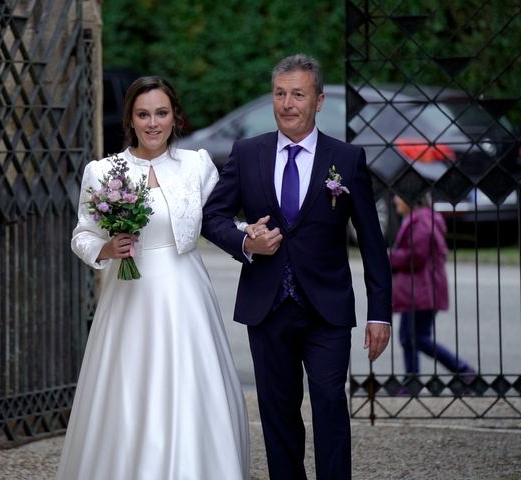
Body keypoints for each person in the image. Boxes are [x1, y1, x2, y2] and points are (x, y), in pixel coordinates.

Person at [202, 54, 392, 480]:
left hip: (326, 309)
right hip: (266, 308)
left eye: (298, 94)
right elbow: (212, 217)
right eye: (280, 93)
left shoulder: (346, 159)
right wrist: (246, 242)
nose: (287, 103)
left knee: (328, 402)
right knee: (277, 410)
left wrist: (380, 312)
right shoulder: (247, 153)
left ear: (319, 100)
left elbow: (374, 246)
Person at [55, 76, 249, 479]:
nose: (153, 123)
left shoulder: (196, 165)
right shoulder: (105, 170)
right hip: (130, 296)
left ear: (175, 116)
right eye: (143, 114)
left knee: (191, 387)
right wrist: (107, 250)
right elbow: (83, 234)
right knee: (130, 389)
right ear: (130, 118)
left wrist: (252, 235)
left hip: (186, 294)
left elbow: (221, 221)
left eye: (161, 113)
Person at [391, 194, 475, 385]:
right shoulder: (419, 218)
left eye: (398, 195)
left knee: (418, 338)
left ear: (412, 198)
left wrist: (390, 257)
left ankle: (463, 371)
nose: (395, 199)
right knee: (408, 337)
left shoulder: (422, 220)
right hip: (416, 292)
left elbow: (416, 255)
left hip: (421, 291)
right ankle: (411, 380)